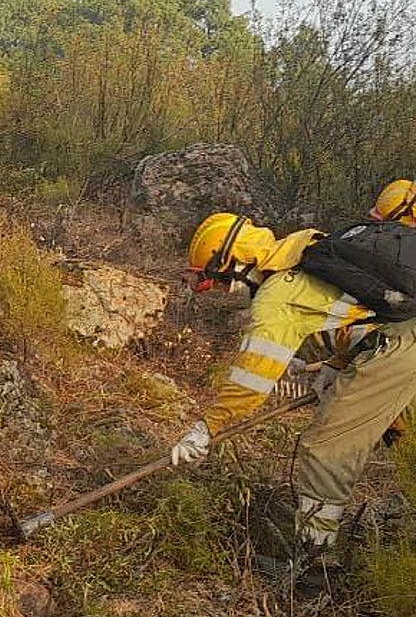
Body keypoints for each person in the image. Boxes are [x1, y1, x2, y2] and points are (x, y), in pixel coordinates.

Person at [171, 212, 416, 593]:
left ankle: (313, 574)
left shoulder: (275, 298)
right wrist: (336, 365)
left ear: (235, 263)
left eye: (213, 282)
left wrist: (207, 429)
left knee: (326, 448)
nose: (219, 292)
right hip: (402, 333)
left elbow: (251, 383)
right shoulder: (305, 243)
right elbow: (357, 308)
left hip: (403, 346)